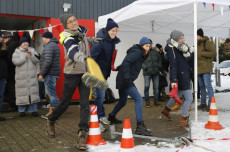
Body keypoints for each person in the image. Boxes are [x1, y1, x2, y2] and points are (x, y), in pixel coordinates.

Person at [46, 14, 102, 150]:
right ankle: (51, 119)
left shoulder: (80, 33)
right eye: (70, 22)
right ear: (66, 25)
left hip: (84, 74)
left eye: (74, 20)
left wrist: (92, 40)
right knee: (65, 102)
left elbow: (82, 40)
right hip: (72, 73)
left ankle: (82, 134)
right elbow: (73, 50)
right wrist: (81, 58)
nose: (73, 23)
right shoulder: (66, 37)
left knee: (85, 104)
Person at [108, 37, 153, 136]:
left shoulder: (139, 53)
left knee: (123, 101)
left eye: (149, 46)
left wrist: (119, 68)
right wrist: (127, 78)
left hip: (123, 79)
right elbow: (127, 62)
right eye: (146, 46)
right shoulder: (137, 52)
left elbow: (127, 63)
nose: (148, 48)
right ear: (141, 45)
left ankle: (111, 116)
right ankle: (140, 126)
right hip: (125, 80)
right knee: (139, 99)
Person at [90, 18, 120, 132]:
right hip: (98, 74)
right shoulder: (100, 42)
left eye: (116, 31)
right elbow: (92, 58)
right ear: (107, 30)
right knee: (100, 97)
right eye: (113, 30)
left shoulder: (111, 42)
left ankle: (101, 115)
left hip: (104, 73)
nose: (114, 33)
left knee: (101, 97)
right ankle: (96, 122)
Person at [161, 30, 193, 128]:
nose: (183, 40)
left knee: (177, 95)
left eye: (183, 38)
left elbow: (184, 60)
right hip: (181, 76)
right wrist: (174, 80)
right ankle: (182, 119)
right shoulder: (172, 49)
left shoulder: (179, 47)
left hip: (183, 73)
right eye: (181, 38)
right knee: (189, 98)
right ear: (175, 39)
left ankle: (166, 110)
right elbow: (173, 65)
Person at [12, 37, 40, 117]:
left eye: (27, 42)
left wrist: (31, 54)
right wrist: (24, 56)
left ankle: (33, 110)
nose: (26, 44)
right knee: (22, 94)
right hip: (21, 77)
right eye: (24, 43)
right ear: (20, 44)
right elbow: (16, 62)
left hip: (32, 77)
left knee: (33, 93)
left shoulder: (32, 50)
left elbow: (37, 60)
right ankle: (22, 111)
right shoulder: (16, 52)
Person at [39, 32, 61, 119]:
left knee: (52, 93)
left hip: (50, 73)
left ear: (46, 38)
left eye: (43, 38)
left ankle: (53, 114)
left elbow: (47, 62)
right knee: (52, 93)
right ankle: (56, 111)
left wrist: (42, 74)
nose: (42, 39)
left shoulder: (49, 46)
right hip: (53, 72)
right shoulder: (54, 45)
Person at [197, 28, 216, 112]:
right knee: (201, 87)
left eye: (197, 35)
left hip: (206, 68)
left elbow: (213, 53)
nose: (196, 37)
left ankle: (211, 104)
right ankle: (203, 103)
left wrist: (202, 53)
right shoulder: (197, 44)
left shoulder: (207, 42)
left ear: (200, 36)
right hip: (199, 69)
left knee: (208, 86)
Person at [142, 39, 161, 107]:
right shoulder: (143, 52)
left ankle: (156, 101)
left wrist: (158, 66)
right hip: (147, 73)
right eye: (148, 44)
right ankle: (147, 101)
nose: (149, 45)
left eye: (150, 43)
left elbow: (160, 59)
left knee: (156, 87)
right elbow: (140, 61)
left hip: (155, 73)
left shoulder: (155, 52)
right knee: (147, 87)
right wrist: (144, 67)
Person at [2, 32, 18, 112]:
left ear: (7, 38)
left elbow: (9, 59)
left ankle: (13, 104)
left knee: (11, 87)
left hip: (10, 70)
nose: (3, 40)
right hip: (15, 69)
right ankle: (15, 104)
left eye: (4, 38)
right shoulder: (15, 44)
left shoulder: (9, 45)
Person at [0, 30, 7, 121]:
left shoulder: (4, 48)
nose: (2, 39)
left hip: (2, 75)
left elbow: (7, 58)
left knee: (1, 95)